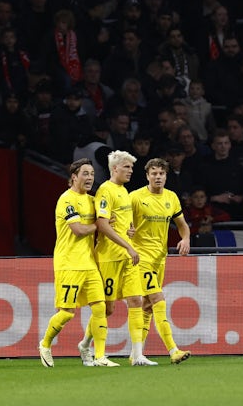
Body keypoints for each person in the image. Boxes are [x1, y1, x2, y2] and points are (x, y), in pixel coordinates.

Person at [78, 150, 156, 366]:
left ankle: (137, 355)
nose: (131, 171)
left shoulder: (124, 191)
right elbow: (102, 225)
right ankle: (85, 345)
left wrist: (128, 234)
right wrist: (127, 246)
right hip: (109, 257)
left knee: (136, 301)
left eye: (131, 167)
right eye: (127, 167)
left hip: (127, 256)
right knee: (108, 309)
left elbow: (120, 224)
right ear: (115, 169)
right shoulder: (105, 191)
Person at [38, 158, 114, 368]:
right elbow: (79, 230)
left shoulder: (92, 200)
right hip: (69, 263)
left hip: (89, 263)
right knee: (67, 313)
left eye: (91, 174)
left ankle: (99, 356)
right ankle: (45, 344)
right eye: (85, 174)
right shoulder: (66, 200)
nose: (90, 178)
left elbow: (106, 226)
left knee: (100, 307)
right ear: (74, 177)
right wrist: (99, 226)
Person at [129, 157, 192, 364]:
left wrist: (185, 238)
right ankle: (173, 350)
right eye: (154, 173)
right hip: (141, 258)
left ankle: (136, 354)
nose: (158, 177)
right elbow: (121, 223)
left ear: (166, 176)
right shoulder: (135, 197)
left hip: (159, 259)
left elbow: (181, 223)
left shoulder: (171, 197)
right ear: (147, 176)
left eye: (161, 173)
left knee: (147, 306)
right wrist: (127, 232)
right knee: (158, 299)